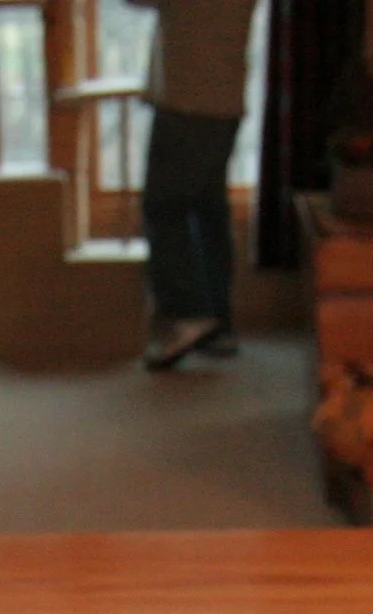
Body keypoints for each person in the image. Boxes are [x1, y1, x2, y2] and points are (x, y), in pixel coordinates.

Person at [128, 0, 261, 370]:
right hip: (224, 101)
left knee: (164, 208)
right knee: (207, 211)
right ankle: (218, 324)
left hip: (187, 101)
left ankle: (186, 317)